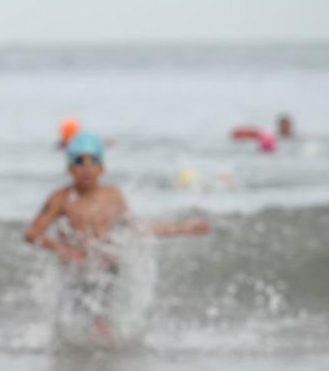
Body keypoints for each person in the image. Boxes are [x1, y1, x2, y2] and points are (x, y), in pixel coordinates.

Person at [24, 131, 210, 337]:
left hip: (108, 268)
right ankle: (90, 351)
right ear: (69, 167)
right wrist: (65, 250)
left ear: (102, 167)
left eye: (92, 161)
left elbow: (138, 227)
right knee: (86, 323)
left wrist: (182, 228)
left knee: (101, 321)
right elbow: (32, 233)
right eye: (79, 161)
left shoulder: (112, 195)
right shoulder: (60, 198)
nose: (86, 168)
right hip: (76, 271)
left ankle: (99, 350)